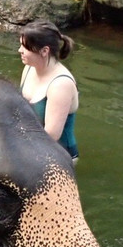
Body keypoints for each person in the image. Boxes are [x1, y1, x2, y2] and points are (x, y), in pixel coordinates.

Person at [18, 20, 79, 160]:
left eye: (25, 47)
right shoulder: (29, 68)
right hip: (30, 145)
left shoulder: (61, 84)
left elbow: (51, 135)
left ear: (44, 51)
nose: (19, 50)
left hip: (59, 157)